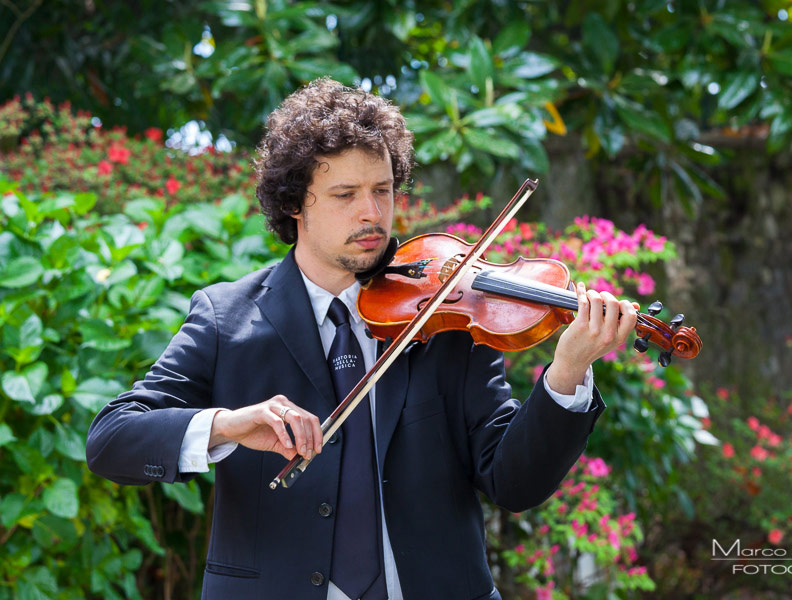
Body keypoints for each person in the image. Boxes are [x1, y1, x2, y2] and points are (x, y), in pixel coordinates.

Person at [86, 78, 639, 600]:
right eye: (345, 193)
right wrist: (226, 425)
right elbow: (111, 439)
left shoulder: (449, 318)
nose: (372, 213)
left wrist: (566, 375)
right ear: (293, 204)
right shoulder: (226, 318)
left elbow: (513, 483)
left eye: (383, 189)